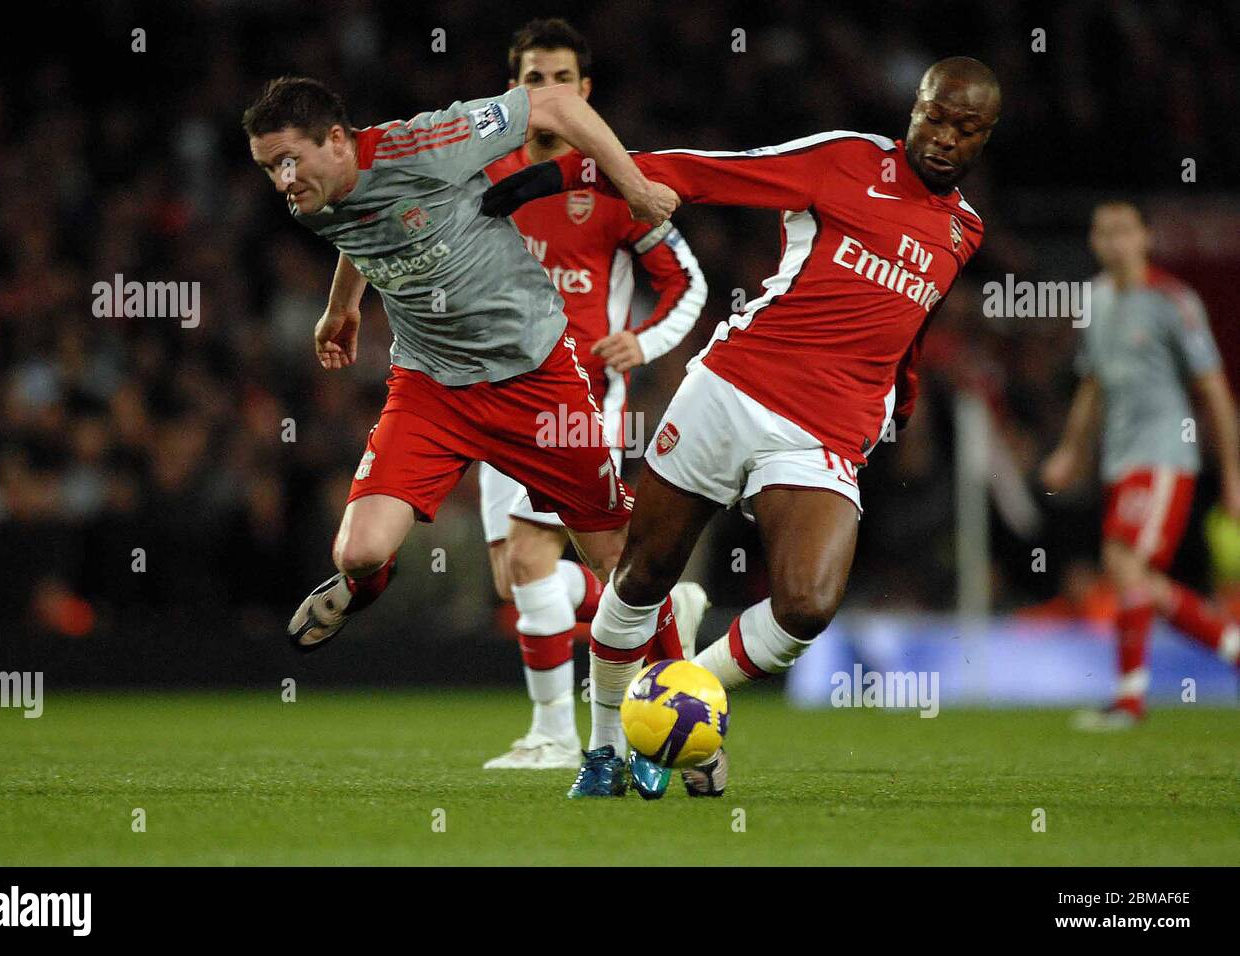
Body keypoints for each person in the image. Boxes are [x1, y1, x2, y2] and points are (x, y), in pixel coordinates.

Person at [485, 56, 999, 797]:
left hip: (823, 432)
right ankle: (603, 754)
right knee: (638, 577)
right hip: (732, 389)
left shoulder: (965, 232)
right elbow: (702, 171)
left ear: (986, 137)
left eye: (965, 126)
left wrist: (906, 400)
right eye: (934, 116)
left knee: (806, 607)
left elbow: (909, 327)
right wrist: (562, 177)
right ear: (913, 108)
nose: (944, 136)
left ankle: (684, 699)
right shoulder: (848, 160)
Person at [242, 76, 701, 674]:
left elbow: (558, 105)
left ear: (336, 139)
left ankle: (680, 688)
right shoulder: (311, 198)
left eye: (287, 161)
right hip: (430, 388)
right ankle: (368, 586)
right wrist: (343, 306)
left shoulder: (427, 144)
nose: (281, 180)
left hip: (534, 379)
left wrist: (635, 188)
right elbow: (364, 231)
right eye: (268, 168)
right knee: (357, 552)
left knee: (618, 559)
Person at [478, 19, 708, 771]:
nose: (544, 93)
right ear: (512, 87)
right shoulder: (487, 176)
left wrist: (642, 342)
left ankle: (554, 736)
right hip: (484, 397)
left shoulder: (611, 183)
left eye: (559, 80)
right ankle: (662, 602)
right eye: (530, 79)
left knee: (531, 558)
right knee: (516, 576)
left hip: (572, 399)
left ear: (584, 92)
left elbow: (688, 282)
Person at [1042, 201, 1240, 730]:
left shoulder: (1174, 302)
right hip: (1120, 459)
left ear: (1146, 238)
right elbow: (1092, 384)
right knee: (1136, 577)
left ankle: (1130, 700)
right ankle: (1231, 647)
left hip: (1166, 455)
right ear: (1093, 242)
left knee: (1127, 565)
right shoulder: (1096, 301)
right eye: (1104, 232)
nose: (1115, 242)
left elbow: (1215, 390)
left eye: (1125, 231)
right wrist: (1070, 451)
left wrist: (1234, 477)